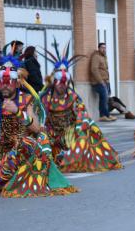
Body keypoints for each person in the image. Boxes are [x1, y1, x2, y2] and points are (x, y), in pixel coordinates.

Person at [0, 49, 77, 197]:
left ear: (17, 83)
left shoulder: (26, 99)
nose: (5, 86)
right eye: (2, 82)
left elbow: (36, 128)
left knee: (33, 140)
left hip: (25, 148)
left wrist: (17, 112)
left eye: (9, 82)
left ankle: (33, 173)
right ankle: (13, 175)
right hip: (4, 151)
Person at [39, 41, 122, 172]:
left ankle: (70, 156)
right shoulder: (44, 98)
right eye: (59, 82)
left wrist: (79, 127)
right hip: (52, 134)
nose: (62, 85)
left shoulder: (73, 97)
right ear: (54, 81)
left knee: (83, 133)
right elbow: (39, 119)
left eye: (65, 82)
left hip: (69, 133)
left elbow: (82, 116)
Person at [90, 42, 115, 122]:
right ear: (99, 48)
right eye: (102, 48)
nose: (104, 49)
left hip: (105, 81)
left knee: (105, 98)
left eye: (105, 48)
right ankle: (104, 115)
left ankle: (105, 115)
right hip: (99, 82)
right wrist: (100, 81)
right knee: (104, 98)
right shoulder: (96, 57)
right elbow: (94, 69)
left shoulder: (104, 57)